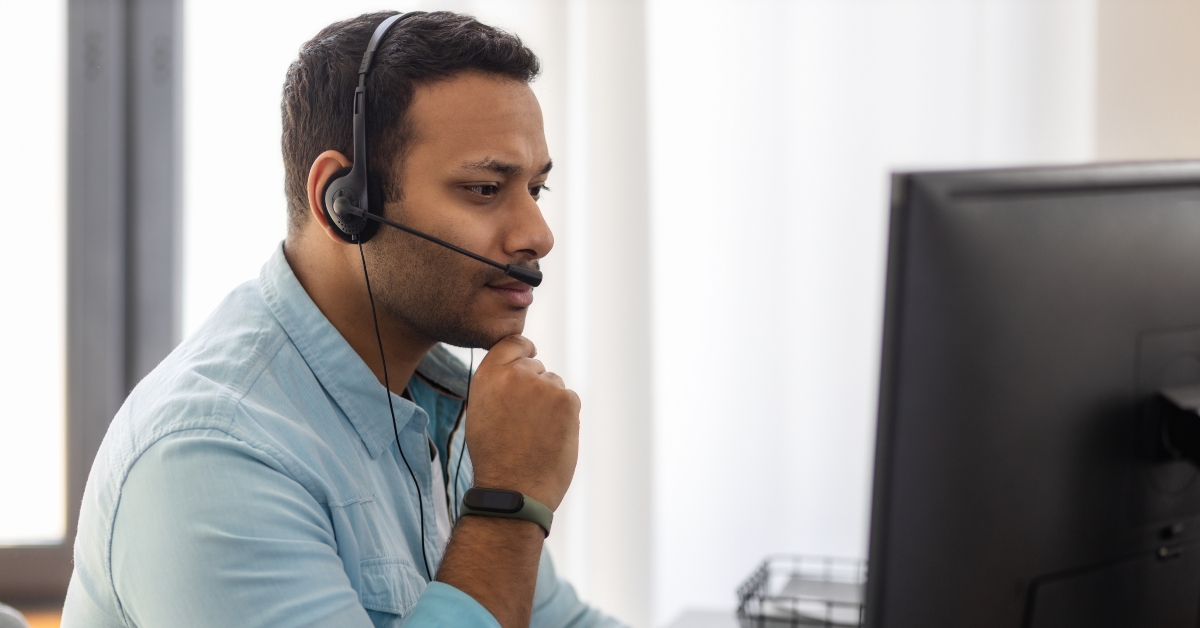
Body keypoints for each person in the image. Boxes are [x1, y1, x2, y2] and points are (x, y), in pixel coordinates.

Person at [62, 11, 622, 628]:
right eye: (485, 189)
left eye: (536, 190)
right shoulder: (210, 454)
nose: (538, 235)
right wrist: (509, 506)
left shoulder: (460, 410)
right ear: (344, 204)